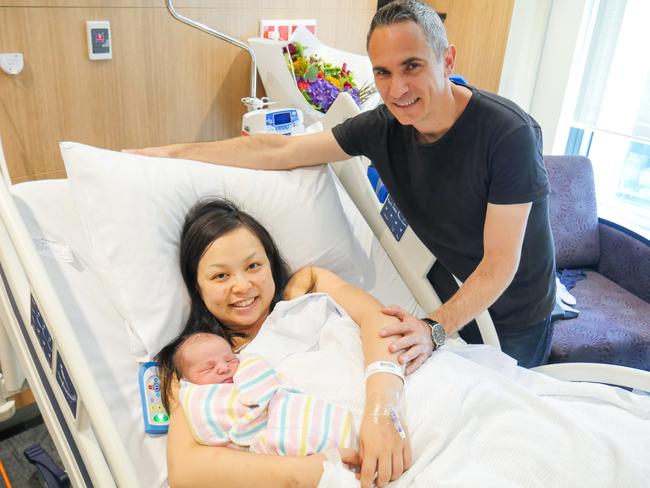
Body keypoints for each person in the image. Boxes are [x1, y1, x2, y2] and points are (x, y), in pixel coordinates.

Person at [129, 0, 556, 370]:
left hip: (515, 307)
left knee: (508, 409)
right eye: (383, 73)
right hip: (448, 285)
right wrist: (168, 154)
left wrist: (434, 329)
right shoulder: (384, 126)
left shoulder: (507, 134)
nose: (398, 89)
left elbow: (500, 265)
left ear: (448, 60)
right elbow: (278, 152)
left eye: (413, 66)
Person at [164, 198, 411, 488]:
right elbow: (184, 469)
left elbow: (379, 320)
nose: (242, 286)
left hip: (399, 399)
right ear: (197, 286)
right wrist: (307, 472)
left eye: (254, 265)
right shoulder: (203, 365)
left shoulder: (308, 286)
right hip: (341, 463)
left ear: (270, 262)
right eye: (220, 275)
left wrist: (382, 409)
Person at [157, 331, 356, 455]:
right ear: (188, 380)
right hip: (263, 444)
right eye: (208, 368)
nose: (223, 368)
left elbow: (272, 391)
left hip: (287, 415)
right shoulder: (199, 399)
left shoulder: (248, 367)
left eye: (229, 360)